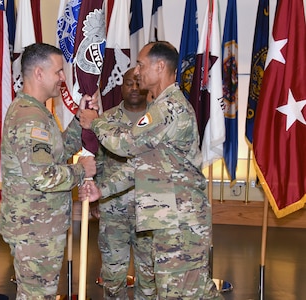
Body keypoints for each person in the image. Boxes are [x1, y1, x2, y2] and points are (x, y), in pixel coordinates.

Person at [79, 41, 223, 299]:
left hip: (180, 223)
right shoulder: (161, 106)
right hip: (172, 218)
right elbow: (140, 164)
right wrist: (103, 190)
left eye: (141, 64)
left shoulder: (169, 108)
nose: (137, 71)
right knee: (193, 291)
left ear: (160, 66)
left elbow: (125, 145)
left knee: (182, 292)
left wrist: (95, 123)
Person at [0, 42, 98, 300]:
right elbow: (43, 177)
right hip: (35, 232)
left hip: (40, 228)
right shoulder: (30, 117)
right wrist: (80, 171)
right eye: (58, 72)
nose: (63, 78)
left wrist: (79, 117)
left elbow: (59, 151)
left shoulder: (37, 112)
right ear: (39, 73)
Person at [94, 68, 156, 299]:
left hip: (150, 209)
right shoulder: (106, 120)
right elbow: (99, 161)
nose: (133, 88)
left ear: (147, 87)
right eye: (129, 83)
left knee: (149, 277)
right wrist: (96, 198)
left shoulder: (157, 118)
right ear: (121, 86)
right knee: (112, 275)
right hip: (113, 209)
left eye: (138, 83)